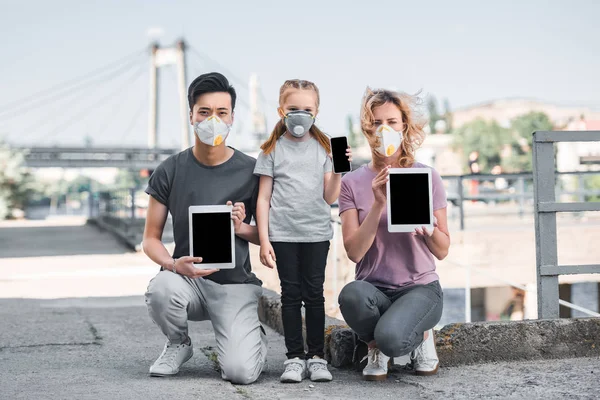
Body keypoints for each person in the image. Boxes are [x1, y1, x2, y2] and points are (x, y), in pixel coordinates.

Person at [143, 72, 266, 385]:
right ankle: (178, 343)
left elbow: (268, 237)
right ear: (191, 116)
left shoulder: (252, 171)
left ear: (232, 118)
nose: (213, 120)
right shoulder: (169, 170)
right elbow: (150, 239)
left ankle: (250, 336)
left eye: (221, 112)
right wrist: (172, 265)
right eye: (205, 112)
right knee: (161, 287)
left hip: (235, 284)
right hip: (189, 280)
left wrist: (242, 228)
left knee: (240, 373)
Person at [337, 88, 450, 381]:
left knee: (393, 340)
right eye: (376, 123)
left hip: (419, 288)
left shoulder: (427, 177)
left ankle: (422, 336)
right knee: (351, 295)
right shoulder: (351, 182)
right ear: (367, 129)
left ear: (404, 127)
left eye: (392, 122)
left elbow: (443, 249)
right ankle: (375, 346)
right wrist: (378, 203)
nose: (384, 130)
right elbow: (354, 252)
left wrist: (429, 232)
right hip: (373, 289)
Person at [254, 79, 352, 383]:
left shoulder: (324, 148)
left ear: (317, 111)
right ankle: (294, 358)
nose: (300, 114)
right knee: (290, 295)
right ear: (281, 110)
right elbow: (263, 198)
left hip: (316, 234)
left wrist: (338, 170)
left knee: (314, 295)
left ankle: (317, 357)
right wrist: (263, 240)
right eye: (293, 108)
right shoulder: (271, 149)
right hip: (282, 235)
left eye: (306, 109)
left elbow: (330, 197)